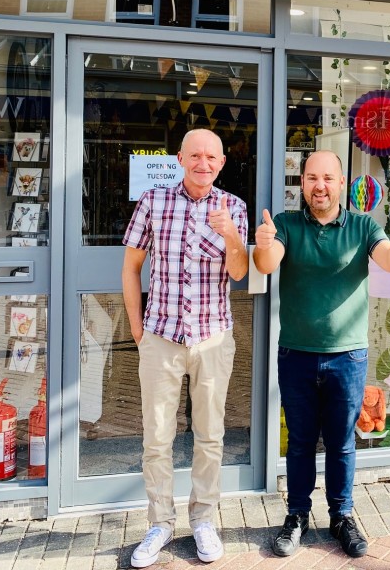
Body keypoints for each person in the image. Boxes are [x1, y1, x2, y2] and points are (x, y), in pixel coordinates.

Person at [253, 150, 390, 558]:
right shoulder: (286, 224)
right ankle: (297, 517)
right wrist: (264, 242)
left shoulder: (361, 226)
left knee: (341, 443)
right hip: (297, 354)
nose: (319, 185)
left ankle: (341, 516)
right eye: (311, 178)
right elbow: (267, 264)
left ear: (341, 183)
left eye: (327, 178)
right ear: (302, 183)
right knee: (302, 442)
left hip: (348, 357)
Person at [121, 129, 249, 568]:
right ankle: (159, 522)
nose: (203, 163)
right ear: (180, 158)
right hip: (161, 337)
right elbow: (132, 266)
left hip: (213, 338)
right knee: (157, 436)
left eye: (211, 157)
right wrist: (138, 329)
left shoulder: (234, 207)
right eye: (195, 154)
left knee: (210, 436)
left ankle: (204, 520)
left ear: (221, 163)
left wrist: (232, 235)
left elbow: (238, 273)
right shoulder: (154, 201)